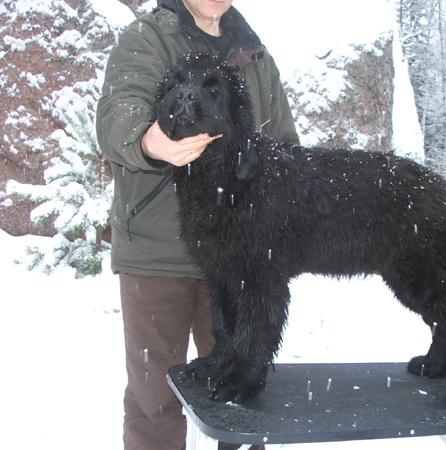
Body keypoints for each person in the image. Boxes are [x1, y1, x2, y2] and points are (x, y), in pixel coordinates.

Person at [96, 1, 298, 449]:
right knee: (156, 401)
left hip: (239, 254)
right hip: (158, 255)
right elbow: (118, 112)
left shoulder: (255, 54)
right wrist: (148, 141)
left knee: (243, 397)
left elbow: (283, 146)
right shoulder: (148, 37)